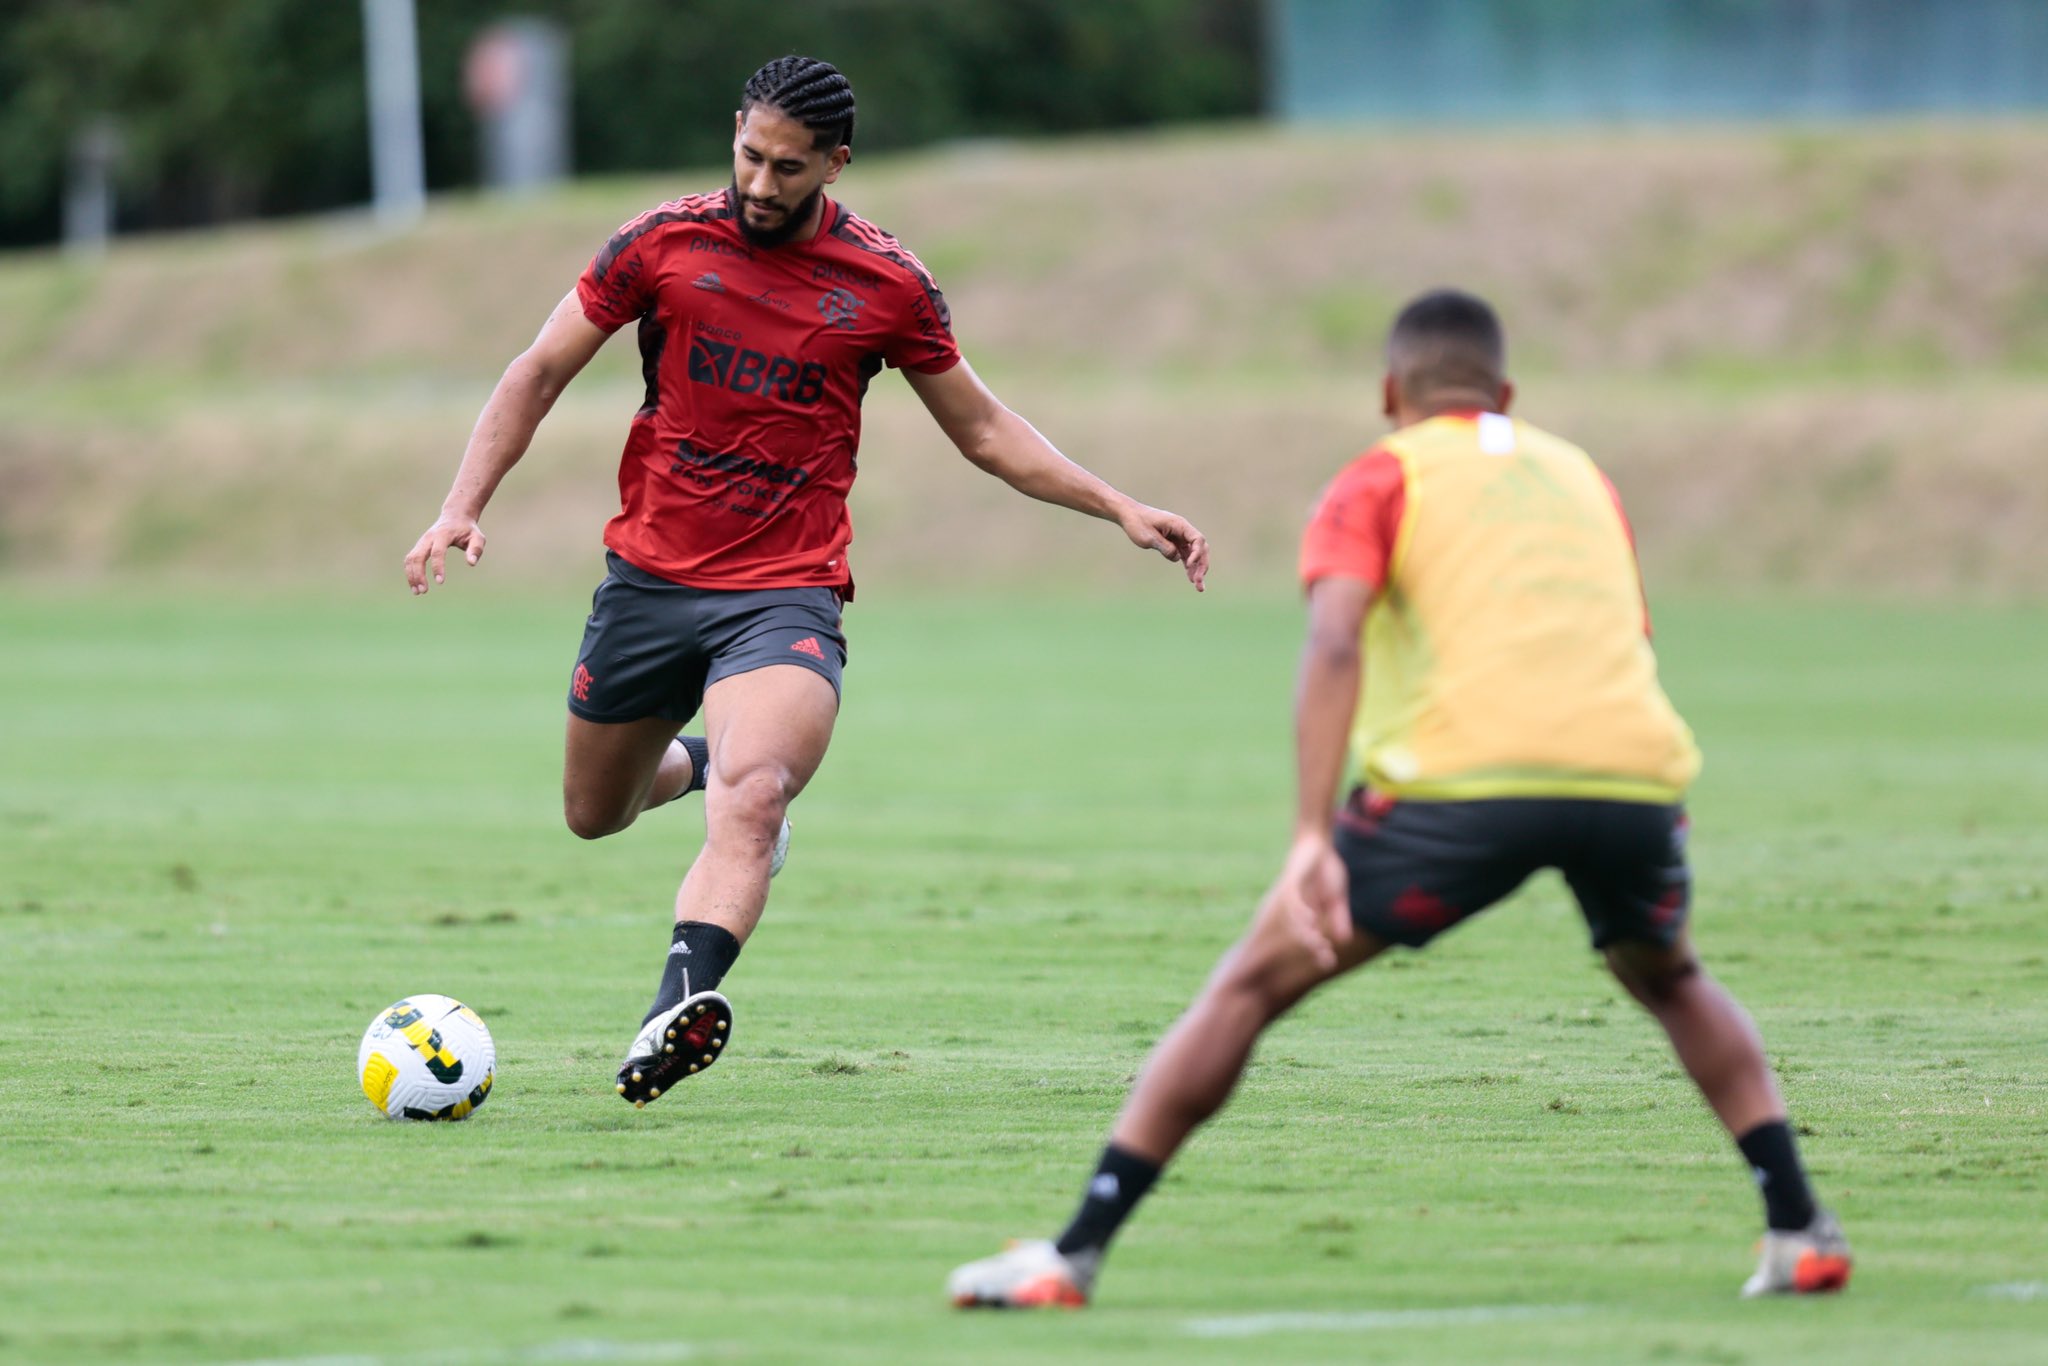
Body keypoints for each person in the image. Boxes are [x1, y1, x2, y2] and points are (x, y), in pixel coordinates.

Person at [947, 289, 1850, 1307]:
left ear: (1390, 393)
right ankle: (1799, 1230)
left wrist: (1308, 834)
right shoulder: (1579, 473)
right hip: (1630, 776)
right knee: (1671, 977)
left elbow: (1334, 640)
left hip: (1466, 790)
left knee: (1247, 987)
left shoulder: (1379, 476)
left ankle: (1072, 1252)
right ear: (1505, 393)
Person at [403, 55, 1208, 1108]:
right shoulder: (662, 243)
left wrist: (1117, 505)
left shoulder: (885, 283)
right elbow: (538, 371)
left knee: (755, 795)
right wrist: (462, 503)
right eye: (749, 156)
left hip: (783, 592)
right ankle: (707, 766)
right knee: (594, 811)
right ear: (734, 132)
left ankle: (672, 1008)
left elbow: (983, 430)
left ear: (836, 163)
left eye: (788, 167)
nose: (760, 183)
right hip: (648, 582)